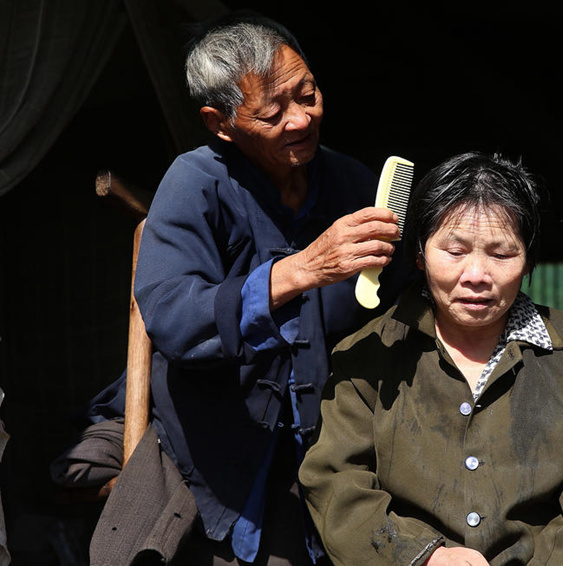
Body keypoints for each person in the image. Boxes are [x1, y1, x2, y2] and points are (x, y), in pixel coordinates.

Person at [88, 11, 412, 566]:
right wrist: (303, 269)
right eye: (272, 112)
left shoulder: (353, 183)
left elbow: (397, 304)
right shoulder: (195, 183)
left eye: (307, 94)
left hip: (337, 457)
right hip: (217, 457)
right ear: (220, 123)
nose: (301, 119)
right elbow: (171, 317)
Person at [299, 151, 563, 565]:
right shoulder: (368, 355)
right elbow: (335, 483)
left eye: (502, 254)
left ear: (528, 260)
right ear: (419, 256)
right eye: (455, 252)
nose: (477, 274)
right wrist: (422, 557)